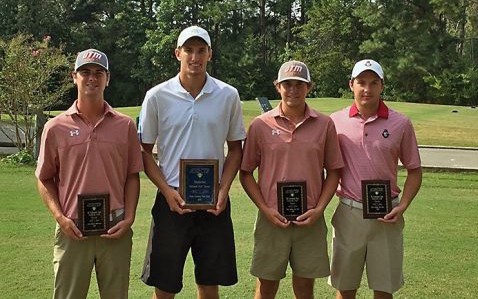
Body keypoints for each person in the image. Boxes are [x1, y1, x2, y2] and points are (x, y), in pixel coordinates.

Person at [138, 25, 246, 299]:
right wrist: (166, 191)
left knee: (210, 282)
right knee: (165, 284)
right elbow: (144, 151)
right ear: (178, 53)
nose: (194, 57)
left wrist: (223, 189)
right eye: (189, 50)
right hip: (171, 201)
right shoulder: (157, 96)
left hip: (214, 204)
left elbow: (235, 149)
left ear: (210, 54)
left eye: (201, 50)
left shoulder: (228, 95)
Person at [35, 48, 144, 298]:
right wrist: (60, 218)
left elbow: (132, 175)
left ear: (108, 78)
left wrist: (129, 217)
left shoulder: (124, 125)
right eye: (85, 72)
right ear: (74, 76)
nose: (92, 78)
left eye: (98, 73)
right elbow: (44, 178)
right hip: (72, 228)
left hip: (115, 227)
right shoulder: (55, 127)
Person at [239, 60, 344, 299]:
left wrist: (319, 210)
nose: (293, 90)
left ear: (309, 87)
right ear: (277, 86)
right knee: (266, 285)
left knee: (305, 287)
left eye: (300, 84)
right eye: (287, 84)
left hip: (309, 219)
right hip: (271, 219)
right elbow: (246, 172)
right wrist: (265, 209)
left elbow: (334, 171)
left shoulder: (324, 124)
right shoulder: (260, 125)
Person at [328, 59, 423, 299]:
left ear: (382, 86)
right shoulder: (334, 122)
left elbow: (414, 170)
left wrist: (402, 206)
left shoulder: (401, 123)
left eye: (373, 83)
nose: (367, 89)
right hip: (349, 212)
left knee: (384, 289)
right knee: (345, 288)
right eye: (361, 82)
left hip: (387, 214)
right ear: (351, 84)